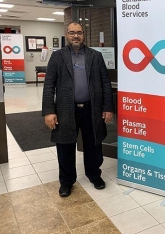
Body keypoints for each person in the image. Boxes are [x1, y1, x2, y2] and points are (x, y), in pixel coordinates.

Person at [42, 22, 114, 197]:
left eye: (79, 33)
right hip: (66, 110)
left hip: (92, 110)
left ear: (84, 35)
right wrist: (49, 111)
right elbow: (49, 85)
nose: (76, 36)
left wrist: (107, 107)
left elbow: (105, 84)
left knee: (93, 145)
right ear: (67, 34)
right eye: (72, 33)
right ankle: (66, 181)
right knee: (65, 146)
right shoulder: (58, 57)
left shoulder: (95, 56)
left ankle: (94, 175)